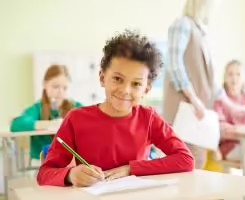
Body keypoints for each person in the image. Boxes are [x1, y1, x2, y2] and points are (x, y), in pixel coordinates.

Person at [37, 30, 195, 187]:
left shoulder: (149, 118)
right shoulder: (76, 119)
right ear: (102, 77)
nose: (125, 90)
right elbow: (45, 173)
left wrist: (131, 169)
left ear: (146, 89)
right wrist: (70, 175)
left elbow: (186, 159)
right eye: (118, 79)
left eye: (136, 84)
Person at [163, 0, 245, 170]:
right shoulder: (182, 25)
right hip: (183, 113)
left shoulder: (201, 32)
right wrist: (194, 98)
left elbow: (212, 81)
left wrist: (233, 107)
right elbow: (174, 64)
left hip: (198, 115)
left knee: (196, 163)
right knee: (183, 164)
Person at [10, 65, 82, 165]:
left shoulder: (76, 107)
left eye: (65, 88)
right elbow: (16, 125)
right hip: (40, 164)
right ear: (45, 84)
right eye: (55, 86)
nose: (60, 91)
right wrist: (48, 124)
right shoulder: (37, 108)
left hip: (70, 163)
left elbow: (94, 119)